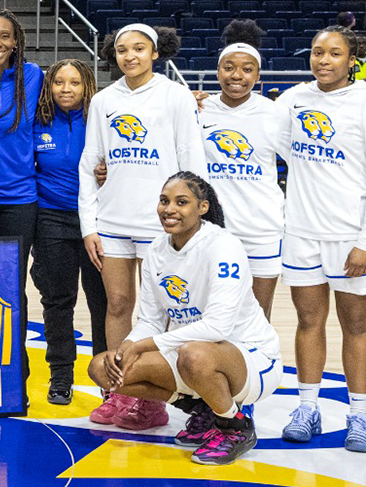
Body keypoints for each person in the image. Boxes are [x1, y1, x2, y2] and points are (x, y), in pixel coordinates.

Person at [87, 173, 281, 465]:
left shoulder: (223, 246)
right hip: (189, 356)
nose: (169, 209)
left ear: (203, 207)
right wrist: (128, 345)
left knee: (194, 354)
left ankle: (235, 427)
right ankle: (202, 408)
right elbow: (151, 320)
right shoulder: (156, 249)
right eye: (164, 201)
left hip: (252, 358)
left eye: (181, 202)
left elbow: (218, 327)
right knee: (102, 368)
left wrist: (144, 346)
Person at [275, 24, 366, 451]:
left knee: (356, 326)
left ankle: (359, 416)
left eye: (333, 53)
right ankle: (307, 408)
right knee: (308, 322)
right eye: (317, 52)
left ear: (352, 59)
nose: (323, 60)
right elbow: (267, 140)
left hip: (350, 236)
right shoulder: (293, 99)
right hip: (301, 233)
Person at [79, 23, 203, 430]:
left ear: (155, 53)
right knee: (117, 305)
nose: (130, 56)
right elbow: (90, 163)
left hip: (160, 225)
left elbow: (191, 159)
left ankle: (151, 399)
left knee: (159, 312)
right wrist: (89, 225)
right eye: (122, 50)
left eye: (139, 48)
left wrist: (195, 221)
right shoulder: (104, 100)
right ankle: (119, 390)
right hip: (113, 220)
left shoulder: (175, 96)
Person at [195, 20, 284, 317]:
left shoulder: (274, 114)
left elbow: (305, 162)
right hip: (211, 228)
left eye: (247, 69)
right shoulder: (198, 110)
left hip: (262, 229)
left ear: (258, 75)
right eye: (229, 67)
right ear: (217, 71)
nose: (237, 76)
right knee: (210, 313)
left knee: (258, 315)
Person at [33, 59, 105, 405]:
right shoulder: (36, 121)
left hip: (99, 222)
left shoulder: (100, 122)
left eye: (74, 82)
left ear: (87, 86)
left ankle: (107, 376)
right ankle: (60, 376)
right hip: (51, 219)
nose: (66, 89)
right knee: (58, 301)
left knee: (102, 302)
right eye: (58, 82)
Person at [0, 11, 45, 258]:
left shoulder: (33, 76)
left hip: (21, 199)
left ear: (15, 41)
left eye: (4, 36)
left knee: (12, 275)